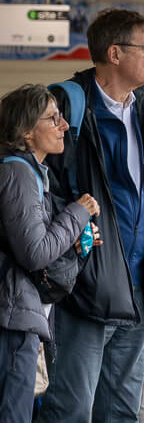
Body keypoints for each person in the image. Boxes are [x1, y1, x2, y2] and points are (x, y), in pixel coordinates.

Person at [39, 9, 144, 423]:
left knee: (120, 410)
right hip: (85, 287)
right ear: (115, 53)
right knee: (70, 408)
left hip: (137, 286)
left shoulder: (142, 111)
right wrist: (70, 263)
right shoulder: (65, 104)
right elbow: (40, 189)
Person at [0, 85, 101, 421]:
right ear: (26, 131)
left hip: (19, 312)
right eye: (53, 118)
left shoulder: (29, 172)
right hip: (13, 317)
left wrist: (73, 234)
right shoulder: (18, 172)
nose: (64, 125)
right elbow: (35, 252)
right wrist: (77, 214)